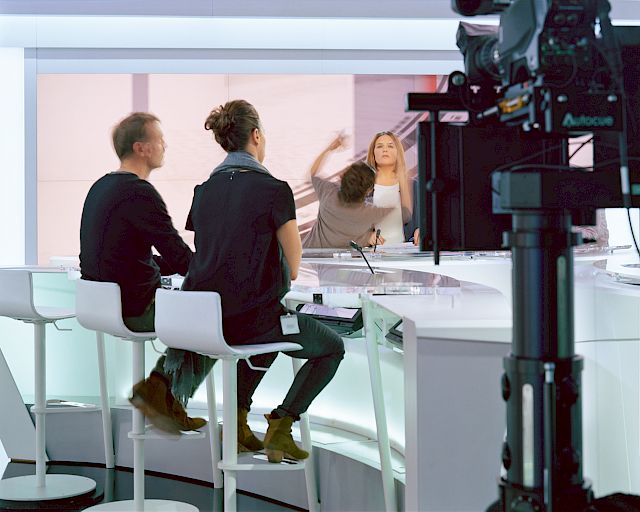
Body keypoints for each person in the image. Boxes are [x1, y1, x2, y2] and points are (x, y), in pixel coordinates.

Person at [181, 99, 345, 462]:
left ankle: (237, 424)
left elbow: (209, 253)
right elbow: (294, 265)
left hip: (208, 323)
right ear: (256, 135)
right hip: (253, 324)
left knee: (269, 333)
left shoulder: (203, 190)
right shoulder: (273, 189)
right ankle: (282, 425)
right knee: (331, 347)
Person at [79, 112, 206, 435]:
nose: (165, 146)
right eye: (159, 140)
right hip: (135, 309)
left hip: (101, 306)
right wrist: (218, 268)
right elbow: (179, 257)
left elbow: (127, 254)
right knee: (213, 319)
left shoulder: (101, 187)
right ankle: (159, 389)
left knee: (195, 310)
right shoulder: (140, 192)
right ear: (141, 148)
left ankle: (168, 400)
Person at [303, 134, 393, 249]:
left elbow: (313, 172)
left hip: (308, 255)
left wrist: (329, 149)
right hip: (341, 259)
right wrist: (368, 238)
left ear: (343, 177)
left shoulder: (328, 192)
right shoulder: (371, 212)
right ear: (369, 190)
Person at [366, 131, 413, 243]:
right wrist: (366, 237)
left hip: (405, 250)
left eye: (390, 146)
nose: (385, 150)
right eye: (380, 146)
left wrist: (420, 231)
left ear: (398, 152)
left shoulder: (412, 185)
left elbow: (422, 221)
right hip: (374, 252)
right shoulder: (362, 186)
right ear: (373, 153)